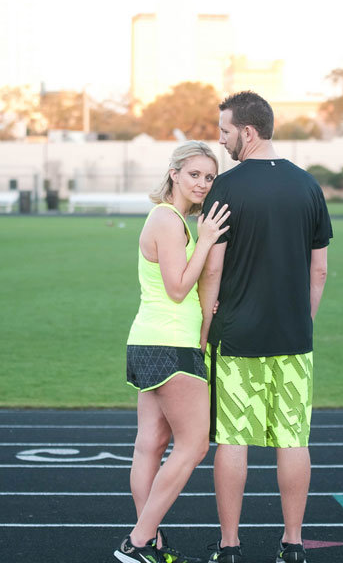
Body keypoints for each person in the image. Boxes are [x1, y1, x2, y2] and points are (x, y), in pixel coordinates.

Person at [198, 92, 333, 563]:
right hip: (294, 339)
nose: (221, 140)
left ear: (247, 132)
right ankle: (292, 545)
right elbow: (319, 271)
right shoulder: (309, 187)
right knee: (293, 439)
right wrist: (302, 319)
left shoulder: (226, 188)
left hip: (235, 337)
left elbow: (211, 270)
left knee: (233, 439)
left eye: (225, 131)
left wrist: (203, 327)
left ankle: (230, 547)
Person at [114, 141, 230, 563]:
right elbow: (177, 288)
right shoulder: (168, 219)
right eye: (195, 174)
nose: (202, 183)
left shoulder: (173, 219)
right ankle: (138, 541)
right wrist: (207, 240)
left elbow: (182, 285)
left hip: (151, 341)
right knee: (194, 445)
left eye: (210, 177)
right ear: (175, 173)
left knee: (151, 444)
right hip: (168, 344)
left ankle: (151, 543)